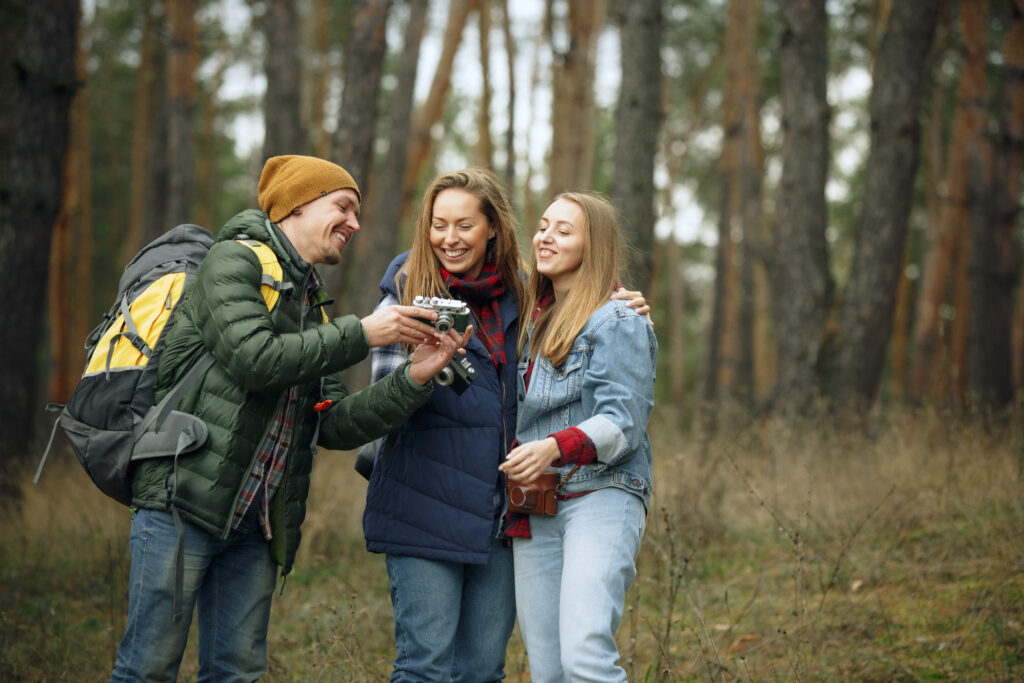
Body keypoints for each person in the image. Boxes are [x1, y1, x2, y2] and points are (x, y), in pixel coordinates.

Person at [110, 154, 471, 682]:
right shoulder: (232, 262)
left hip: (258, 522)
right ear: (297, 205)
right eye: (342, 207)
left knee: (236, 672)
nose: (355, 224)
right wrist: (365, 333)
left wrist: (415, 377)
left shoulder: (310, 304)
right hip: (182, 504)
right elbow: (255, 360)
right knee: (148, 668)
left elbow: (336, 423)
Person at [361, 169, 649, 682]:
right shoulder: (409, 291)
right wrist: (417, 373)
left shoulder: (527, 296)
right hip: (430, 505)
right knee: (430, 666)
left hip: (510, 510)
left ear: (492, 227)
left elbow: (595, 338)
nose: (449, 238)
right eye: (438, 224)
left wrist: (620, 299)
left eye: (465, 225)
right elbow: (378, 407)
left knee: (488, 667)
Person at [499, 191, 657, 683]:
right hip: (537, 505)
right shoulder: (527, 317)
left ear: (595, 246)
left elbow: (623, 422)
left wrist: (552, 447)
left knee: (585, 656)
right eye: (544, 225)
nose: (545, 236)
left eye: (564, 230)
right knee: (547, 670)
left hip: (601, 496)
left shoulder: (618, 318)